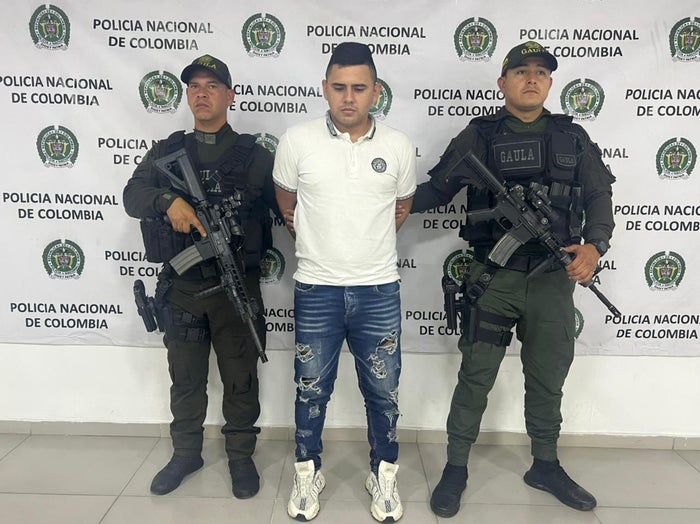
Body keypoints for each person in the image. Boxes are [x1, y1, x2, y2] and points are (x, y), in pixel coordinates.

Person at [407, 41, 615, 517]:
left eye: (541, 72)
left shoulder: (572, 137)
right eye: (521, 71)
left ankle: (545, 465)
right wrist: (388, 203)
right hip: (493, 278)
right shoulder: (479, 136)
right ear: (503, 83)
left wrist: (594, 245)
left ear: (550, 82)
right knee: (475, 376)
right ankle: (456, 468)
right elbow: (437, 190)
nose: (532, 78)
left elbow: (599, 196)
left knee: (547, 377)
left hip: (552, 281)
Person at [123, 54, 280, 499]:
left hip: (236, 290)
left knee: (241, 379)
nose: (202, 93)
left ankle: (240, 456)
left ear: (230, 96)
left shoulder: (257, 157)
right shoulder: (166, 151)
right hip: (183, 291)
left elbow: (289, 213)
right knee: (186, 379)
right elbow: (133, 195)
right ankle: (186, 454)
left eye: (212, 86)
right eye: (194, 86)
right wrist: (167, 202)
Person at [272, 42, 416, 522]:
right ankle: (308, 472)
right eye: (339, 87)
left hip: (379, 289)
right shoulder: (296, 141)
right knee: (311, 389)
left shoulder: (398, 145)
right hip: (317, 288)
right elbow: (287, 205)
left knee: (384, 391)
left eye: (358, 88)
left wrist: (364, 247)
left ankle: (383, 474)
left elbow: (401, 208)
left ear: (376, 91)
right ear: (324, 89)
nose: (348, 97)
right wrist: (320, 242)